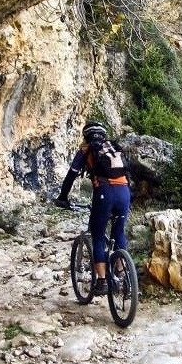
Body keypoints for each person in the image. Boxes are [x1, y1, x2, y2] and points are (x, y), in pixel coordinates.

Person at [54, 120, 131, 295]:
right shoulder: (114, 148)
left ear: (86, 137)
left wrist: (62, 198)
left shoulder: (86, 150)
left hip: (104, 193)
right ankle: (123, 278)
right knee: (118, 233)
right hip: (124, 193)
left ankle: (102, 281)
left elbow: (71, 175)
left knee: (97, 235)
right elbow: (128, 173)